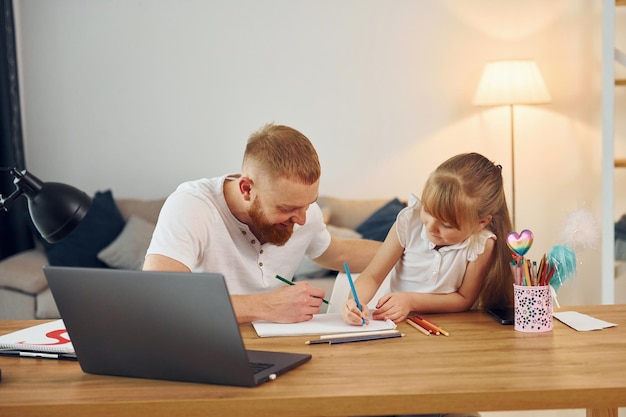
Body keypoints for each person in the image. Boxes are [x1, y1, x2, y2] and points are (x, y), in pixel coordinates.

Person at [143, 123, 381, 324]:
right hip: (204, 343)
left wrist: (406, 246)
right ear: (247, 189)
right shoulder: (193, 206)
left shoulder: (303, 212)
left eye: (309, 204)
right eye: (287, 209)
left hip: (277, 344)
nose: (301, 219)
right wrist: (266, 306)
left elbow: (338, 253)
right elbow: (159, 297)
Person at [342, 152, 513, 326]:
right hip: (397, 324)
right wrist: (354, 302)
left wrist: (411, 301)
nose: (430, 227)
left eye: (446, 225)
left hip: (451, 328)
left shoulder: (481, 244)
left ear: (481, 222)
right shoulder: (409, 223)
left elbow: (464, 299)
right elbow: (372, 276)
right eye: (428, 211)